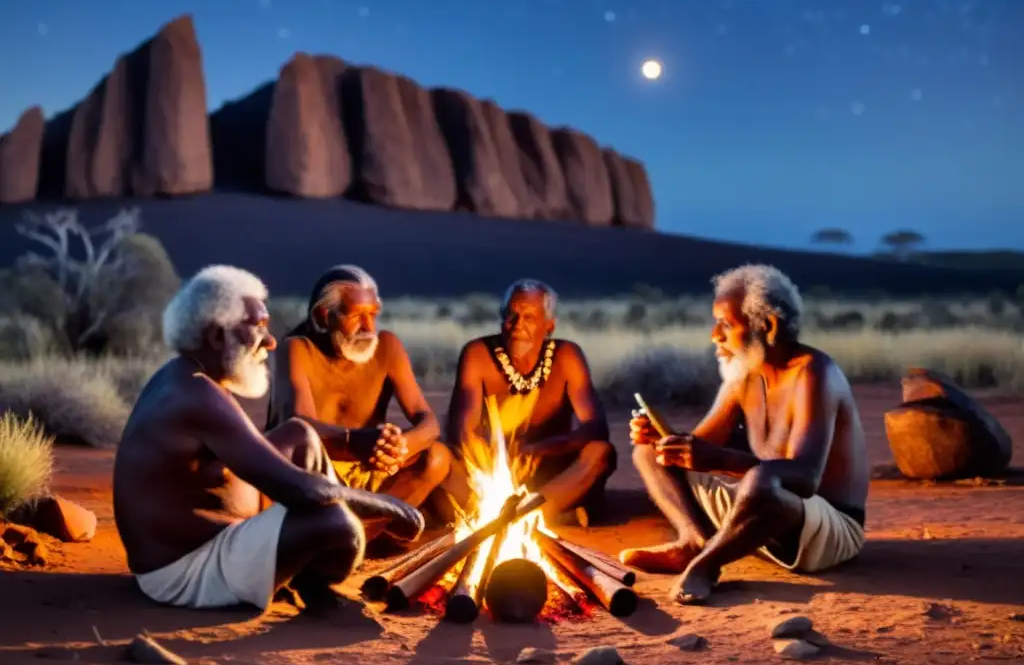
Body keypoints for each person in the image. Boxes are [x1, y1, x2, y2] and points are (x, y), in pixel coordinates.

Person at [113, 265, 424, 613]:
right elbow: (301, 490)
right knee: (336, 524)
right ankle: (311, 584)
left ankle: (301, 577)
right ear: (217, 336)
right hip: (184, 573)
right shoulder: (197, 397)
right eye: (258, 327)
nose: (271, 340)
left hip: (200, 548)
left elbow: (266, 456)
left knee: (300, 435)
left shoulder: (185, 376)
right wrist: (393, 508)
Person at [622, 264, 869, 604]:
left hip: (826, 530)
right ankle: (694, 542)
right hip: (761, 508)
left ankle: (706, 565)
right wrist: (665, 439)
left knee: (761, 479)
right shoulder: (744, 376)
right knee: (651, 451)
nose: (714, 335)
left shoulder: (815, 373)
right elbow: (698, 450)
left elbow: (806, 478)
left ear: (766, 326)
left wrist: (722, 460)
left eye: (726, 324)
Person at [270, 265, 455, 545]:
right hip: (319, 470)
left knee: (437, 457)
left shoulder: (388, 347)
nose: (369, 328)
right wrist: (355, 441)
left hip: (370, 468)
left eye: (373, 314)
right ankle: (339, 539)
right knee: (300, 458)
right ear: (324, 315)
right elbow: (300, 427)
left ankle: (358, 539)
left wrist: (399, 447)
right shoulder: (296, 349)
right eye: (356, 316)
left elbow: (428, 423)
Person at [446, 279, 616, 527]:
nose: (517, 326)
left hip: (551, 474)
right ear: (501, 317)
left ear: (549, 326)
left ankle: (529, 517)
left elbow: (596, 427)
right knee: (438, 458)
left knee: (601, 452)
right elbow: (462, 432)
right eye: (511, 316)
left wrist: (540, 449)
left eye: (529, 318)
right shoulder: (478, 354)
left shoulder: (567, 356)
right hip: (488, 472)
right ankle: (547, 517)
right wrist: (499, 460)